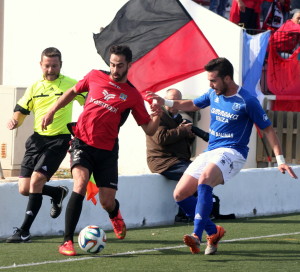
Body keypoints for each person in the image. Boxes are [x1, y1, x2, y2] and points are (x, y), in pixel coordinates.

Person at [146, 57, 297, 255]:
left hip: (233, 152)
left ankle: (197, 236)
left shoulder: (247, 100)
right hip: (212, 151)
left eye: (213, 81)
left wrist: (281, 160)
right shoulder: (212, 93)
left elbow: (268, 130)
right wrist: (164, 100)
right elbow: (191, 104)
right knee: (179, 194)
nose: (210, 85)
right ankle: (213, 231)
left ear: (227, 79)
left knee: (205, 179)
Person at [41, 45, 161, 256]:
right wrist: (52, 110)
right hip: (82, 142)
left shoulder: (133, 95)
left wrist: (157, 114)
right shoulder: (95, 76)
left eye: (120, 65)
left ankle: (114, 213)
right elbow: (72, 91)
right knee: (80, 183)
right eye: (112, 64)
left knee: (106, 201)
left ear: (129, 65)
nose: (115, 69)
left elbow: (149, 129)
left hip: (107, 151)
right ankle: (66, 241)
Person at [6, 47, 86, 243]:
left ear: (61, 65)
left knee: (36, 181)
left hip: (59, 139)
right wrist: (15, 120)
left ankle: (24, 231)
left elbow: (89, 102)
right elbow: (21, 109)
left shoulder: (71, 84)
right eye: (47, 66)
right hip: (37, 140)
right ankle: (57, 192)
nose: (50, 69)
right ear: (40, 65)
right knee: (24, 188)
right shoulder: (34, 87)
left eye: (54, 66)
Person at [146, 88, 209, 223]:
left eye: (176, 101)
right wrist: (182, 130)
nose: (173, 103)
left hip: (176, 160)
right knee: (194, 176)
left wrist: (189, 135)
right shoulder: (159, 115)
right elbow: (161, 139)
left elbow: (179, 141)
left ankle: (197, 213)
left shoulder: (176, 118)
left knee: (202, 173)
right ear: (164, 100)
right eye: (170, 100)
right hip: (162, 161)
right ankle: (184, 215)